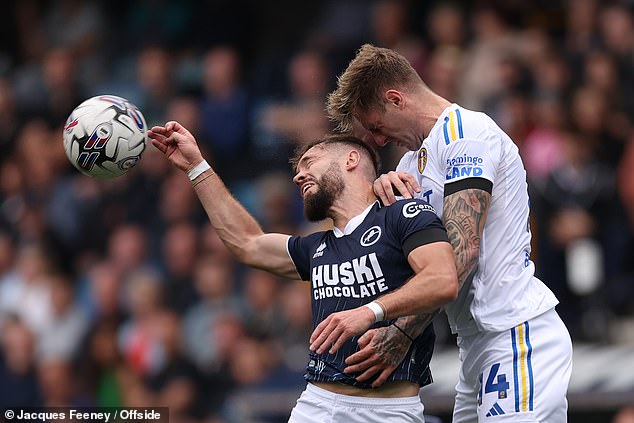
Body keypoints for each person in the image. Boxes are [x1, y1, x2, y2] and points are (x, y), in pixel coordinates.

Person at [326, 44, 573, 423]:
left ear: (395, 98)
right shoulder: (411, 163)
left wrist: (401, 332)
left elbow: (461, 252)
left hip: (515, 335)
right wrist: (383, 207)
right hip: (474, 347)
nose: (376, 141)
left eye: (376, 126)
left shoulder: (467, 133)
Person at [149, 121, 458, 422]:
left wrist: (371, 311)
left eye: (310, 161)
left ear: (351, 159)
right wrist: (196, 167)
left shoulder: (402, 214)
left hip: (391, 409)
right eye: (297, 170)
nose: (299, 176)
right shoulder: (316, 247)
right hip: (317, 405)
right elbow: (246, 243)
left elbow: (443, 280)